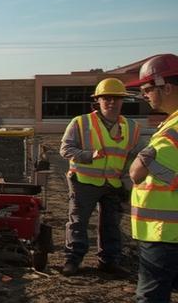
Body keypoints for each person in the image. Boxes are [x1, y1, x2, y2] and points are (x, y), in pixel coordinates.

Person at [88, 54, 178, 303]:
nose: (144, 95)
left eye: (146, 88)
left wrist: (145, 159)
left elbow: (147, 170)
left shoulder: (172, 129)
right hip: (160, 228)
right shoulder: (168, 123)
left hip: (165, 232)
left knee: (150, 297)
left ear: (164, 85)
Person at [58, 78, 141, 275]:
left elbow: (132, 156)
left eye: (116, 98)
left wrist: (126, 182)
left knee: (111, 223)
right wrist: (89, 155)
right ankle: (73, 260)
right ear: (98, 100)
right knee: (78, 221)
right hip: (84, 181)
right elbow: (65, 149)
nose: (111, 102)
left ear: (122, 101)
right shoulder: (80, 122)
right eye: (107, 98)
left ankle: (109, 261)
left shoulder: (132, 127)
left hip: (113, 182)